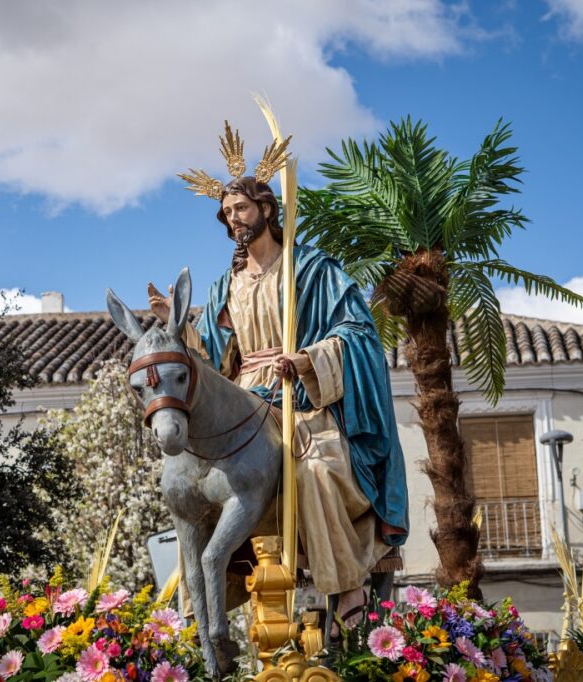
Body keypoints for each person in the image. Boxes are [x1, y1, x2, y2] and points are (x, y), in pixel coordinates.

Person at [149, 171, 409, 625]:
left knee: (316, 468)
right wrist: (180, 326)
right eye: (227, 213)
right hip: (242, 399)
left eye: (241, 209)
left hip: (301, 399)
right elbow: (211, 360)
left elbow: (358, 332)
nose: (234, 220)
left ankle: (346, 586)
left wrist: (309, 359)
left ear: (267, 210)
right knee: (185, 476)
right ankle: (198, 611)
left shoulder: (312, 270)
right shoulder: (223, 288)